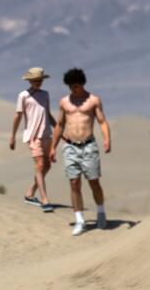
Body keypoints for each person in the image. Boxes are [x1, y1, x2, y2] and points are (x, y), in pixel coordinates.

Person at [50, 68, 112, 236]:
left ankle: (100, 212)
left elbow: (102, 121)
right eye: (71, 87)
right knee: (74, 183)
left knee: (93, 182)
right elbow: (60, 125)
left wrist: (107, 139)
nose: (73, 90)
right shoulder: (64, 102)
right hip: (70, 146)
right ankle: (80, 220)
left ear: (82, 83)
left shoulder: (93, 100)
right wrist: (53, 147)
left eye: (76, 86)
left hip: (88, 146)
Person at [9, 67, 55, 212]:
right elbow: (18, 116)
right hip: (33, 136)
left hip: (47, 134)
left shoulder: (45, 94)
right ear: (29, 81)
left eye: (40, 80)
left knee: (47, 166)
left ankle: (30, 193)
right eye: (35, 80)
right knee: (40, 165)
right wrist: (13, 136)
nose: (38, 83)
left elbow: (48, 114)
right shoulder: (23, 95)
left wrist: (60, 130)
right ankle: (45, 200)